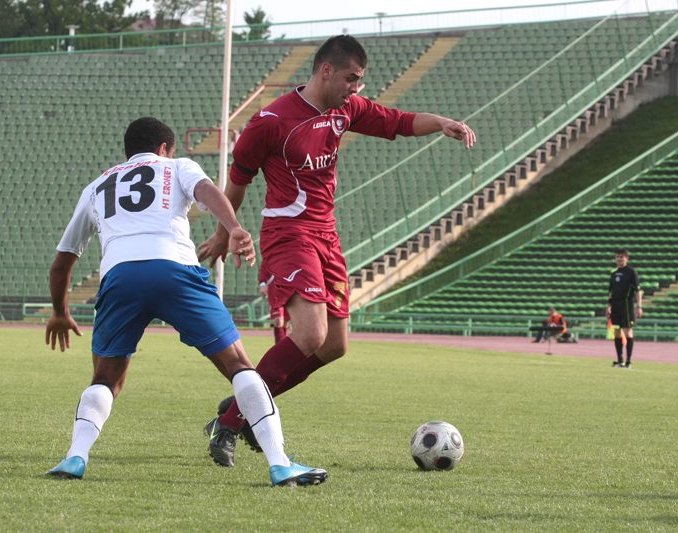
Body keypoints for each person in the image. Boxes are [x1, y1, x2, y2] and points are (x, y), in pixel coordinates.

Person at [196, 35, 476, 467]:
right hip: (288, 234)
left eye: (359, 81)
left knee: (334, 346)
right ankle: (230, 425)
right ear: (326, 70)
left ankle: (245, 407)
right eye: (351, 78)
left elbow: (399, 121)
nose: (356, 88)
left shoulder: (347, 110)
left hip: (327, 237)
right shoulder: (270, 121)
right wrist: (224, 232)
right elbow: (237, 182)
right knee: (310, 335)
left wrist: (441, 122)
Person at [44, 117, 327, 487]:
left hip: (120, 276)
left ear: (127, 152)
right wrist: (233, 228)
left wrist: (60, 313)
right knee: (239, 366)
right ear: (165, 148)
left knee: (105, 378)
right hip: (174, 268)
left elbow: (61, 264)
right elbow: (207, 191)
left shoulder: (97, 186)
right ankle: (280, 464)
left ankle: (75, 457)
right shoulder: (177, 166)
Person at [606, 249, 642, 368]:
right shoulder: (613, 273)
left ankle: (628, 361)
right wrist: (609, 306)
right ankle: (620, 360)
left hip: (627, 304)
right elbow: (611, 292)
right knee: (617, 331)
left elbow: (638, 290)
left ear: (627, 258)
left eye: (621, 257)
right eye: (617, 257)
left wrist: (639, 306)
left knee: (628, 331)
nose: (619, 259)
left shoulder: (631, 272)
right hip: (615, 305)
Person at [260, 261, 291, 344]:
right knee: (278, 319)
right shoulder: (271, 255)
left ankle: (282, 347)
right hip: (275, 292)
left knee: (285, 321)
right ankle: (280, 347)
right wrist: (262, 284)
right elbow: (264, 267)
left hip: (288, 290)